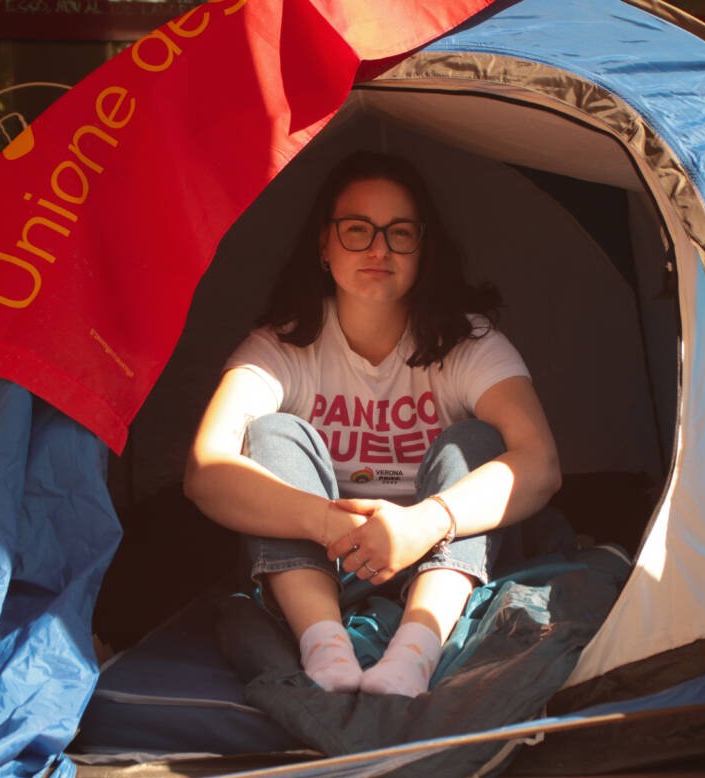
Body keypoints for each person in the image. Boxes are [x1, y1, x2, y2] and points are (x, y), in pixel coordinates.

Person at [184, 151, 561, 697]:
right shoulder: (282, 346)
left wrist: (424, 523)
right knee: (272, 436)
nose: (379, 248)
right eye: (357, 229)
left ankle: (414, 653)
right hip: (321, 562)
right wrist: (327, 524)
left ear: (422, 248)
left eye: (399, 232)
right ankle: (325, 646)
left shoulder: (467, 345)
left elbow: (540, 462)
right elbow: (205, 469)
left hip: (440, 560)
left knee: (477, 442)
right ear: (324, 244)